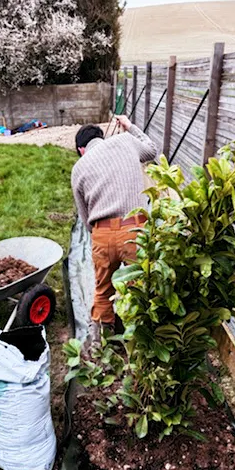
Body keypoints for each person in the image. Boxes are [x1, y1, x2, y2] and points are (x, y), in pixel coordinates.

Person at [71, 115, 157, 338]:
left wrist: (102, 235)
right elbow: (151, 151)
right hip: (135, 231)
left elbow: (84, 216)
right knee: (140, 290)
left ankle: (102, 348)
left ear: (81, 149)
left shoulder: (78, 168)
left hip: (102, 234)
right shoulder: (126, 141)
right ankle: (142, 346)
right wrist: (130, 127)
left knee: (102, 290)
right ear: (101, 137)